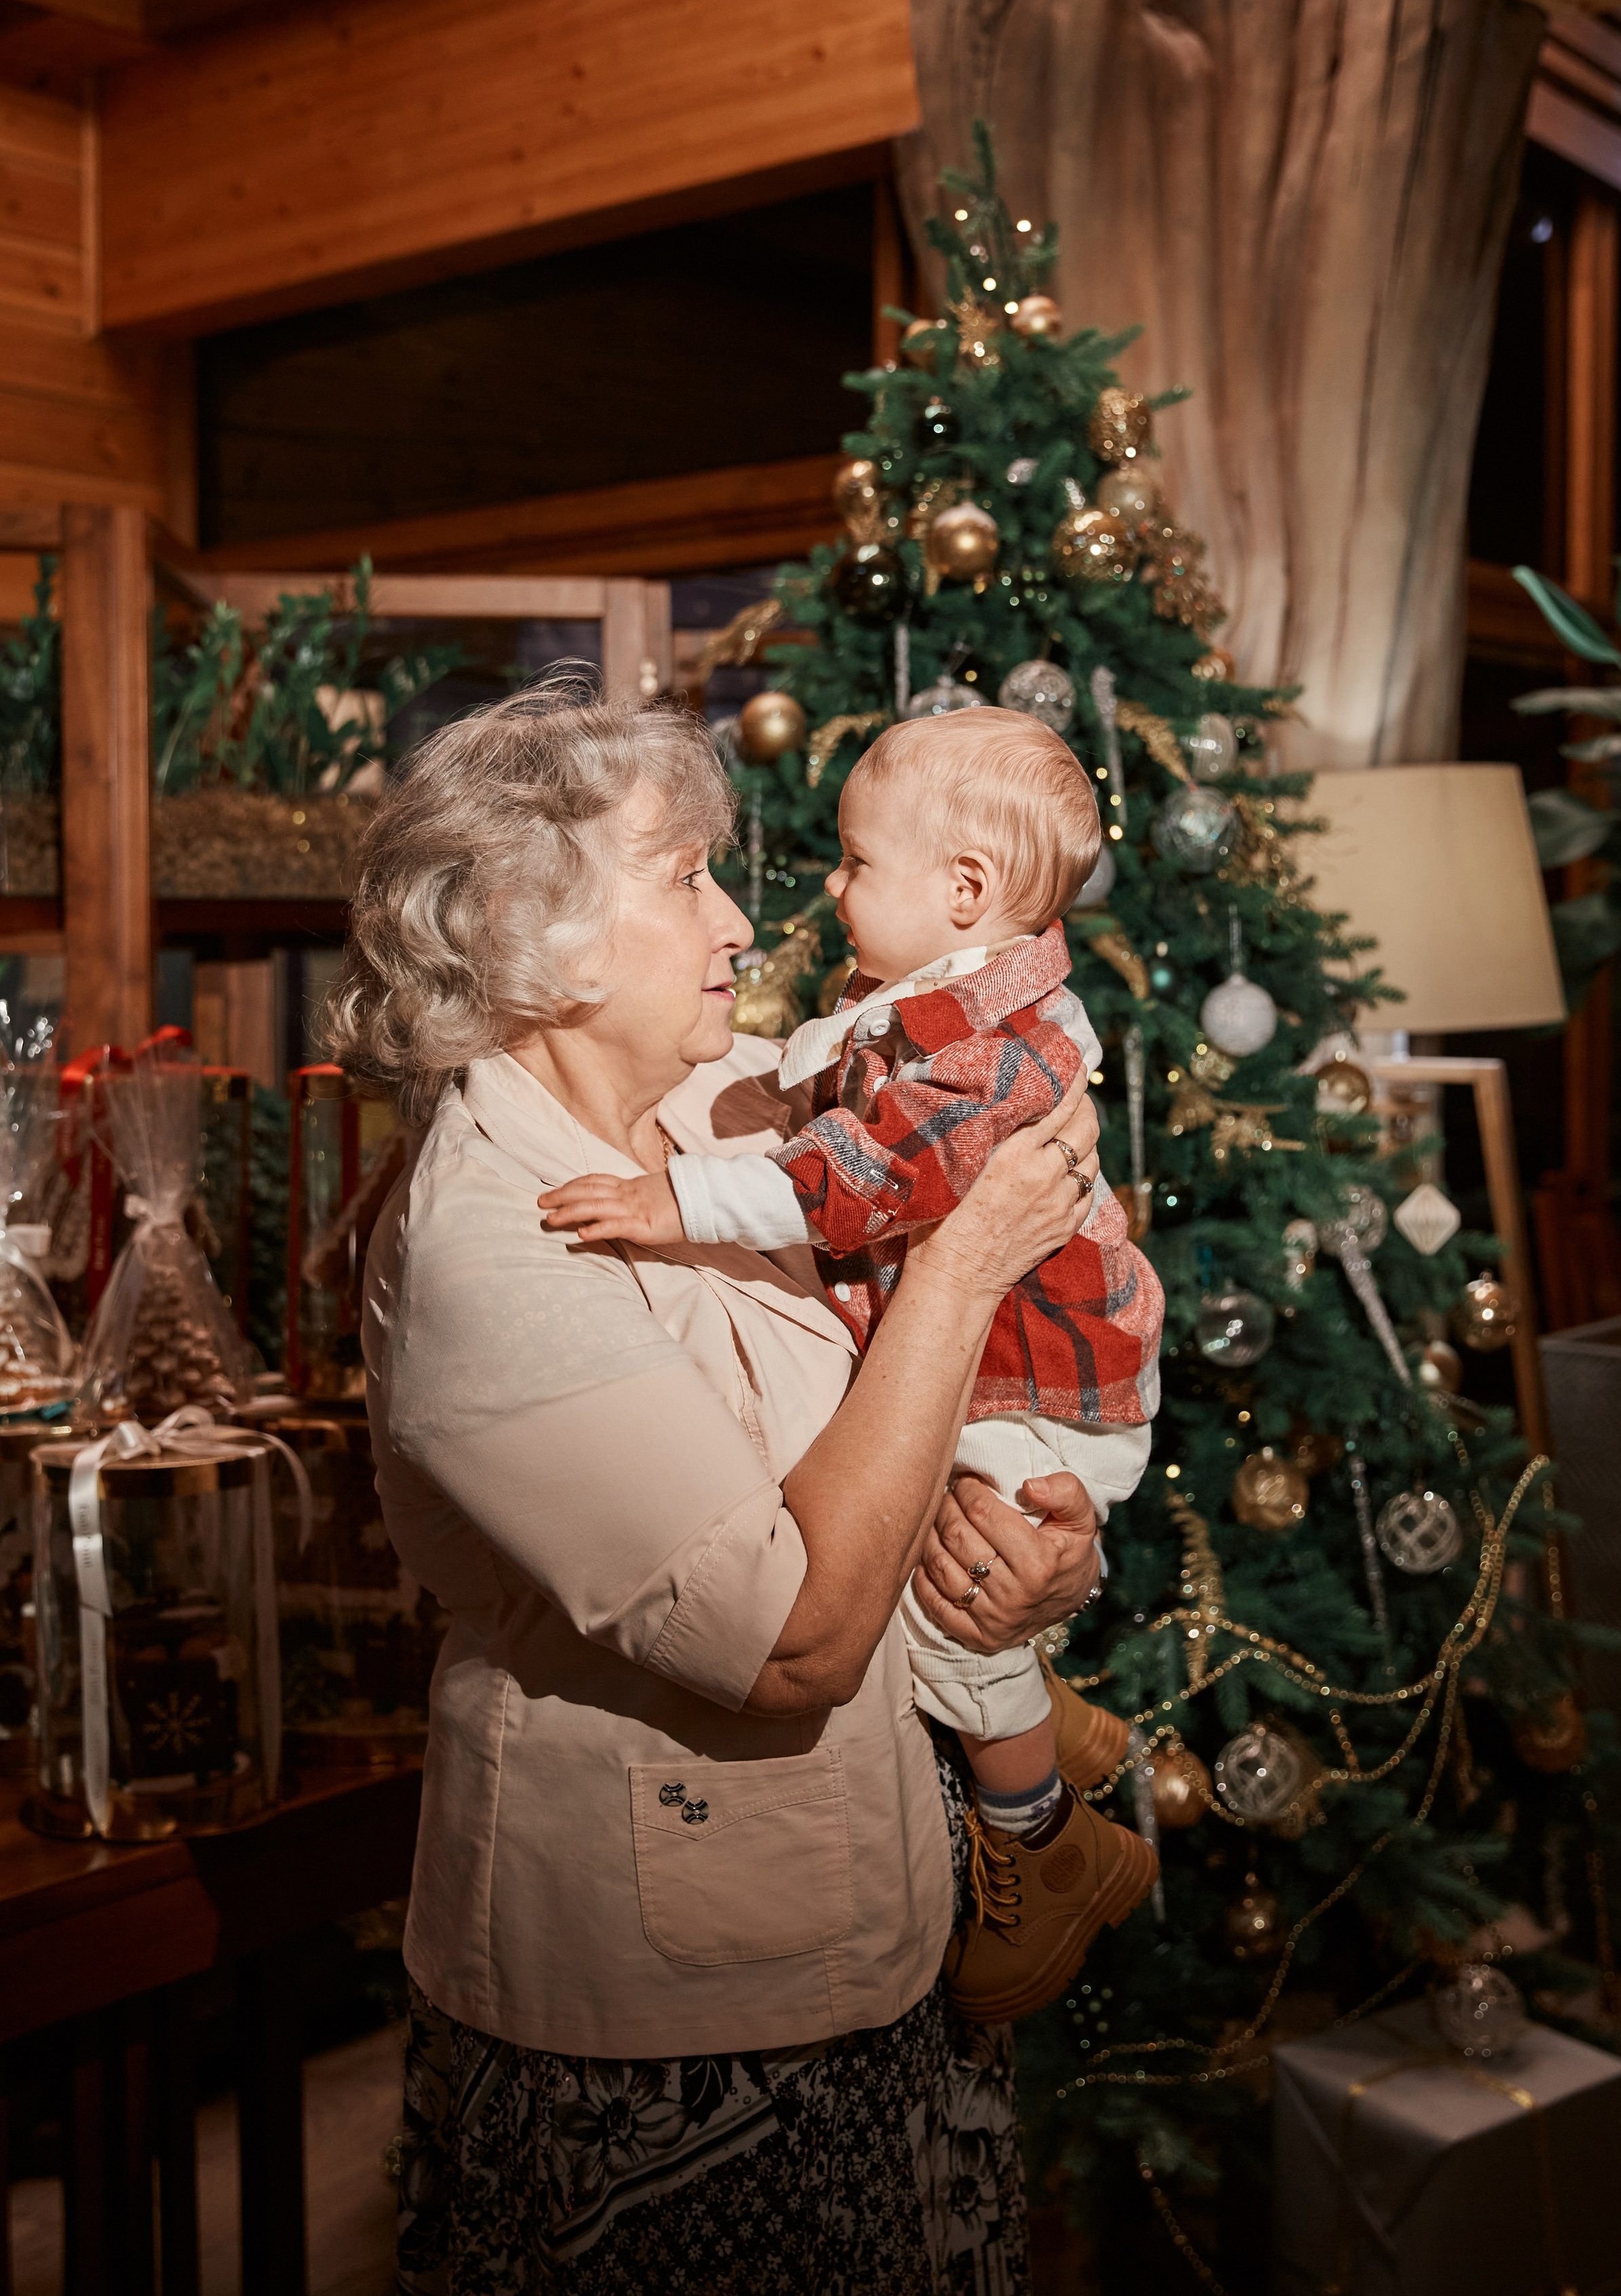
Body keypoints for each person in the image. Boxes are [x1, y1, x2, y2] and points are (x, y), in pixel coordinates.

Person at [330, 680, 1107, 2293]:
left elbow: (1017, 1182)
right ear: (530, 927)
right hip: (669, 2030)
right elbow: (791, 1642)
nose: (742, 919)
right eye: (683, 875)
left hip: (895, 1931)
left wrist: (1039, 1552)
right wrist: (963, 1264)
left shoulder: (731, 1101)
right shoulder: (493, 1240)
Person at [543, 710, 1163, 2019]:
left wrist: (677, 1204)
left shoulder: (983, 1051)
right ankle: (1046, 1717)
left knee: (956, 1597)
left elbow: (852, 1178)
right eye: (690, 883)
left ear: (966, 892)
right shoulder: (920, 1008)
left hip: (1037, 1376)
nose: (803, 899)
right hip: (1016, 1366)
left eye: (851, 864)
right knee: (964, 1558)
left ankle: (1046, 1847)